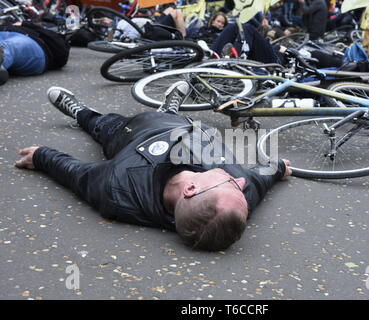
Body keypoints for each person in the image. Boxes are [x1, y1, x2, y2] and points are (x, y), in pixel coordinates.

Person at [15, 83, 292, 251]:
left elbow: (77, 174)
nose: (240, 182)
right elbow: (258, 179)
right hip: (186, 128)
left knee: (101, 126)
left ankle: (80, 112)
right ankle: (170, 109)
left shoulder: (118, 191)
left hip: (133, 133)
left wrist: (41, 156)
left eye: (232, 184)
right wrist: (278, 167)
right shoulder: (236, 203)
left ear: (191, 189)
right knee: (171, 117)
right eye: (240, 189)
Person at [0, 21, 70, 85]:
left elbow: (62, 52)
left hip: (32, 43)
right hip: (4, 33)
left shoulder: (48, 34)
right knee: (7, 46)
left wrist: (28, 24)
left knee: (10, 46)